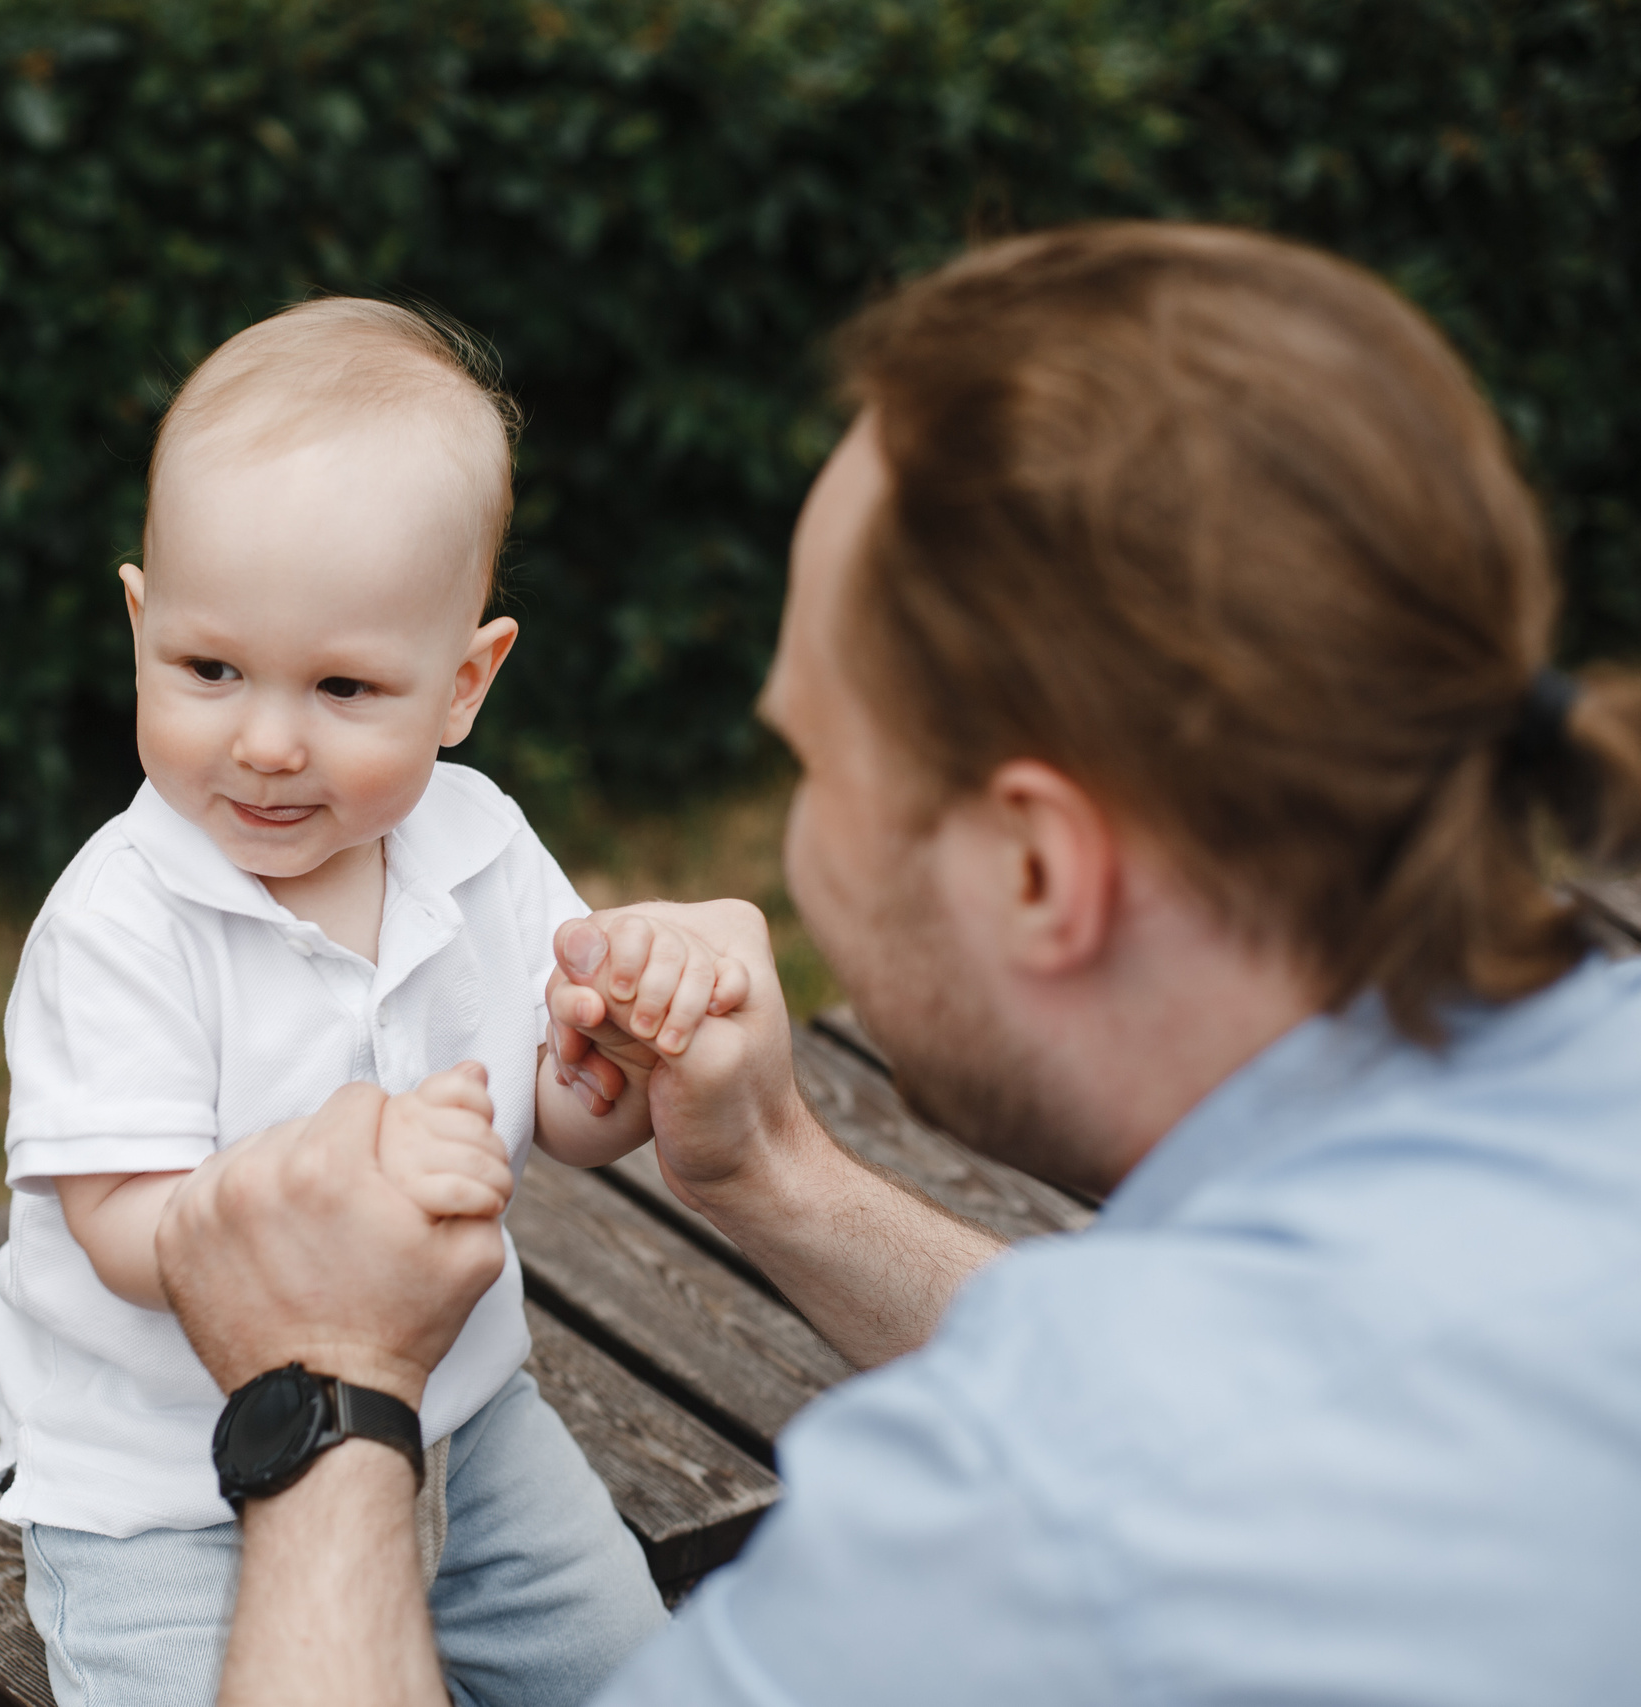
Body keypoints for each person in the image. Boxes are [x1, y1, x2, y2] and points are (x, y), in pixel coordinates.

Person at [154, 222, 1641, 1705]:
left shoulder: (1000, 1537)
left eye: (810, 760)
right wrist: (770, 1173)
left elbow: (1121, 1448)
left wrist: (326, 1402)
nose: (793, 845)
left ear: (1038, 869)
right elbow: (1252, 1390)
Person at [0, 297, 744, 1706]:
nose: (264, 741)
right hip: (173, 1492)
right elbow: (128, 1234)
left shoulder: (481, 847)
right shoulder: (123, 919)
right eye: (209, 670)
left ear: (463, 683)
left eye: (342, 686)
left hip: (468, 1430)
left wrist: (631, 1040)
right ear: (140, 623)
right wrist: (360, 1173)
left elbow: (573, 1117)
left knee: (647, 1681)